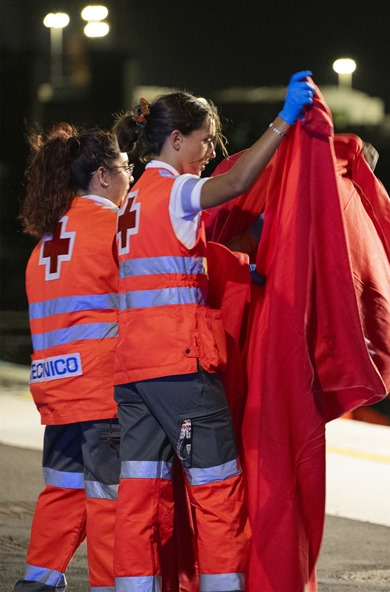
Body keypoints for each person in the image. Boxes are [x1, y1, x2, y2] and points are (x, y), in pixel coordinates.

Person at [110, 71, 314, 591]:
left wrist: (240, 264)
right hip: (181, 366)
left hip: (134, 369)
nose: (206, 152)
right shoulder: (176, 190)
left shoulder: (132, 201)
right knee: (217, 488)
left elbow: (175, 265)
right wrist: (285, 119)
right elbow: (238, 182)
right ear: (175, 139)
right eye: (202, 141)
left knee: (140, 494)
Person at [16, 124, 131, 592]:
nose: (132, 175)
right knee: (112, 500)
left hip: (56, 389)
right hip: (103, 391)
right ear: (102, 176)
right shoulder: (118, 230)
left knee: (61, 492)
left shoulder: (46, 242)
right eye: (126, 167)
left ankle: (37, 582)